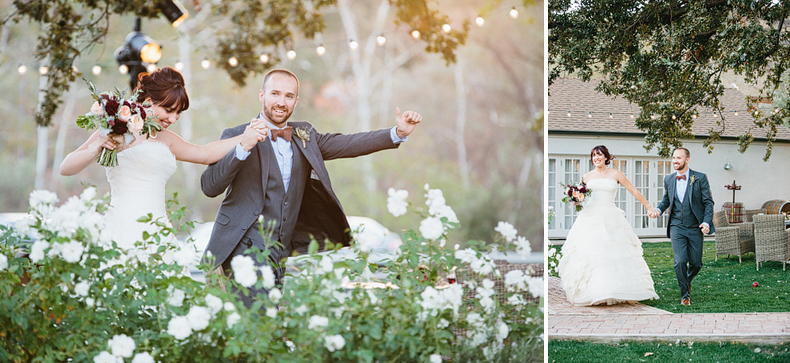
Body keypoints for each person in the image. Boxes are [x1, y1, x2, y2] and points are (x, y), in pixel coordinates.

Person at [200, 68, 422, 308]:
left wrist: (397, 133)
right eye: (275, 93)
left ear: (296, 101)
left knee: (264, 326)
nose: (281, 102)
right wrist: (243, 147)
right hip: (242, 249)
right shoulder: (235, 135)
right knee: (258, 320)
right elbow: (210, 186)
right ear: (262, 95)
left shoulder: (304, 135)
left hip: (281, 252)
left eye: (288, 96)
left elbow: (348, 143)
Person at [60, 67, 266, 252]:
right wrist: (97, 147)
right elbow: (66, 168)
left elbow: (206, 153)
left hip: (158, 229)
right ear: (149, 102)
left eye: (178, 113)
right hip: (123, 224)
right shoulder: (116, 128)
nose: (173, 119)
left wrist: (246, 137)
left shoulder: (166, 139)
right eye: (169, 110)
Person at [558, 145, 659, 306]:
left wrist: (648, 207)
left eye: (599, 155)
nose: (596, 158)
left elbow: (633, 191)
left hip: (611, 216)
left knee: (615, 253)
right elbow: (580, 197)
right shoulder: (586, 177)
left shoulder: (616, 174)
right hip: (590, 216)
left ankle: (622, 289)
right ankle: (596, 291)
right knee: (595, 253)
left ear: (606, 157)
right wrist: (575, 198)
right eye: (593, 155)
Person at [650, 147, 714, 306]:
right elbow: (667, 200)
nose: (675, 161)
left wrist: (706, 222)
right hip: (676, 225)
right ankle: (685, 295)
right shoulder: (669, 179)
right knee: (679, 262)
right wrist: (658, 210)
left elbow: (708, 203)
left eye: (679, 158)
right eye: (673, 158)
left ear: (687, 159)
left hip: (695, 226)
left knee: (696, 263)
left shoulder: (700, 178)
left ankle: (688, 280)